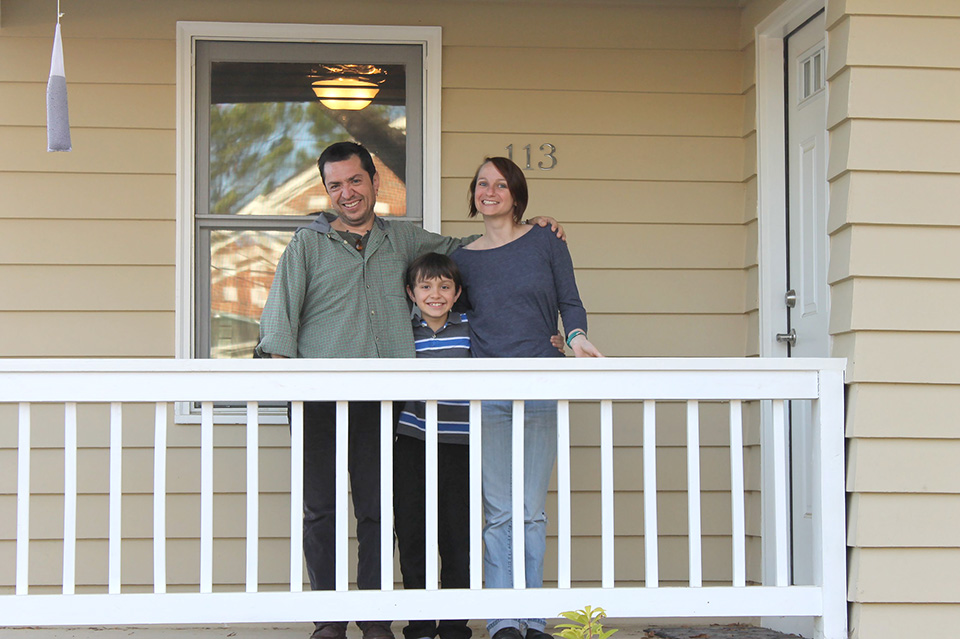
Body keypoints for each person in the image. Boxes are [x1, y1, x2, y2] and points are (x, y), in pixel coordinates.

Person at [255, 142, 564, 639]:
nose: (346, 193)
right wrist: (288, 384)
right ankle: (331, 621)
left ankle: (376, 619)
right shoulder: (307, 245)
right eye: (335, 185)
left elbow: (466, 248)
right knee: (322, 511)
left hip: (384, 405)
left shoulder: (402, 240)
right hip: (317, 398)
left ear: (374, 181)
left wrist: (525, 231)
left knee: (377, 512)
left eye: (355, 180)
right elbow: (279, 326)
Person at [450, 157, 602, 639]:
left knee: (530, 511)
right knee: (500, 512)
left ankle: (532, 618)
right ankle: (504, 622)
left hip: (541, 384)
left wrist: (574, 337)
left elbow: (569, 300)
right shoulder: (462, 257)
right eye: (481, 184)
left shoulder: (545, 241)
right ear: (473, 194)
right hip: (488, 390)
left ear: (516, 193)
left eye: (499, 184)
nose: (489, 191)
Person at [394, 252, 473, 639]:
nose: (435, 294)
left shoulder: (472, 329)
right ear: (411, 292)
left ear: (457, 293)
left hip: (460, 444)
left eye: (444, 286)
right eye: (425, 286)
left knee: (457, 534)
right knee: (413, 533)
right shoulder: (401, 331)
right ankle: (421, 624)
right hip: (412, 442)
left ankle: (455, 625)